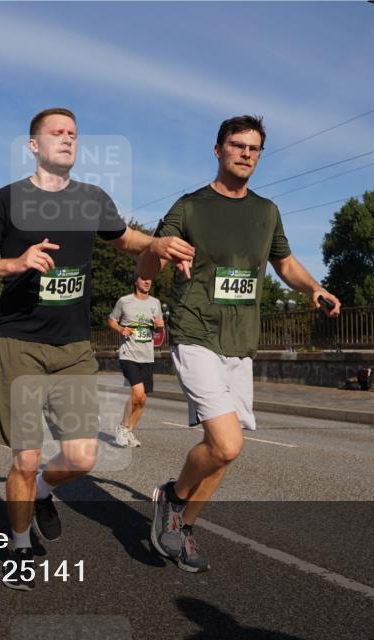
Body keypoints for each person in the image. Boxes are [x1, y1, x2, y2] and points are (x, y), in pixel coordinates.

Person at [0, 107, 195, 590]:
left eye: (73, 134)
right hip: (21, 344)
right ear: (34, 145)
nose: (66, 139)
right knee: (23, 457)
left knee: (82, 458)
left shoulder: (90, 199)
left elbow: (124, 238)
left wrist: (159, 242)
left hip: (73, 348)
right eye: (56, 133)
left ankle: (43, 492)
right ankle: (20, 546)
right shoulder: (8, 200)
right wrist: (14, 263)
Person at [138, 115, 341, 573]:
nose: (246, 153)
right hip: (196, 330)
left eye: (254, 148)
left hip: (240, 340)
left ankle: (182, 527)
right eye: (237, 145)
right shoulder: (190, 206)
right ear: (218, 150)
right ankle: (171, 496)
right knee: (226, 444)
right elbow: (152, 253)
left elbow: (284, 262)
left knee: (227, 452)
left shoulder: (266, 212)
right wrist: (159, 250)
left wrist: (313, 288)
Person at [108, 275, 163, 448]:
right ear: (135, 281)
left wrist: (160, 325)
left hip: (147, 355)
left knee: (143, 399)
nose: (147, 281)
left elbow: (158, 327)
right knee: (137, 393)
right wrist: (120, 329)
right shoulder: (124, 301)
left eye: (149, 279)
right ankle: (123, 427)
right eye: (143, 278)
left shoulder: (155, 303)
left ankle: (130, 432)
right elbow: (111, 320)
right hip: (128, 354)